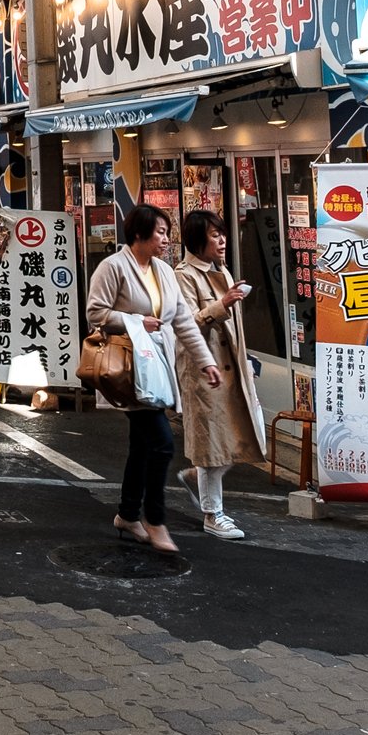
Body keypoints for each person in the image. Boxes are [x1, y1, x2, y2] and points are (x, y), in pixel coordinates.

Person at [85, 205, 218, 556]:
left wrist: (206, 362)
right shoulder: (113, 267)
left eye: (166, 232)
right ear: (139, 234)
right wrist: (134, 321)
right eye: (160, 232)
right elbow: (95, 312)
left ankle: (128, 515)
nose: (166, 239)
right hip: (130, 371)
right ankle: (155, 520)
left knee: (143, 446)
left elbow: (183, 321)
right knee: (162, 444)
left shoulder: (164, 271)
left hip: (157, 367)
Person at [175, 209, 267, 541]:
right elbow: (186, 324)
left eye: (223, 234)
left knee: (251, 432)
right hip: (204, 370)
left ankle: (194, 476)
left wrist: (246, 363)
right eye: (215, 236)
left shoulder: (222, 270)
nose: (223, 241)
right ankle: (213, 514)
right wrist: (223, 304)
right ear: (197, 240)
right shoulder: (183, 275)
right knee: (212, 442)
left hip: (232, 367)